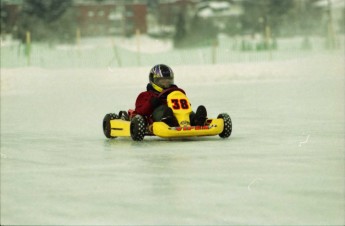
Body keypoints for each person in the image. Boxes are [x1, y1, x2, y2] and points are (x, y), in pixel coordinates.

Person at [134, 64, 207, 126]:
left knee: (191, 111)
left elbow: (187, 106)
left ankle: (196, 120)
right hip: (159, 117)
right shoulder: (146, 95)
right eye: (162, 80)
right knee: (165, 109)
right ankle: (168, 121)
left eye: (168, 80)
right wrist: (151, 103)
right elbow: (139, 111)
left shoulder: (176, 92)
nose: (166, 83)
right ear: (153, 81)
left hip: (179, 115)